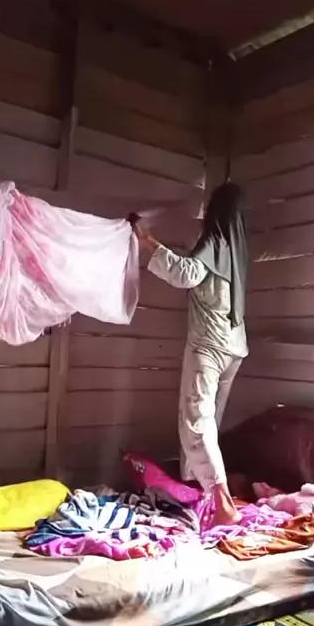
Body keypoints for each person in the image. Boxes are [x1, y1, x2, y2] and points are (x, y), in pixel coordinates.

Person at [133, 182, 248, 527]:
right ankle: (201, 492)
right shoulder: (237, 250)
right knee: (208, 424)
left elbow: (187, 274)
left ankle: (223, 505)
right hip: (234, 346)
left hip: (210, 346)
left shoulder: (214, 243)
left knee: (197, 422)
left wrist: (147, 242)